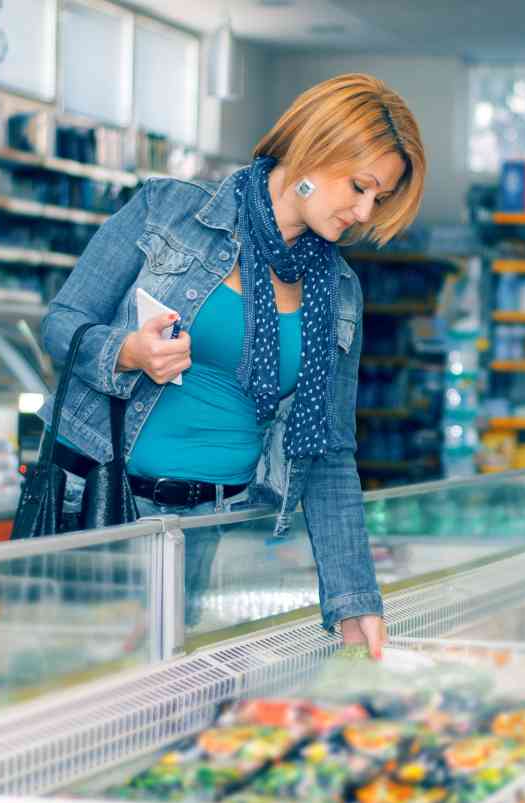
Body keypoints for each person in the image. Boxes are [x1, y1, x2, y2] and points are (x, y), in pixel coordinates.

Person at [38, 73, 425, 660]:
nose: (365, 211)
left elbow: (329, 453)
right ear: (314, 149)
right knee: (74, 696)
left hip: (210, 525)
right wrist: (126, 352)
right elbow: (62, 323)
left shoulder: (339, 292)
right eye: (359, 186)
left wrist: (354, 599)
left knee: (163, 709)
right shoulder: (166, 210)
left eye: (381, 198)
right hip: (98, 506)